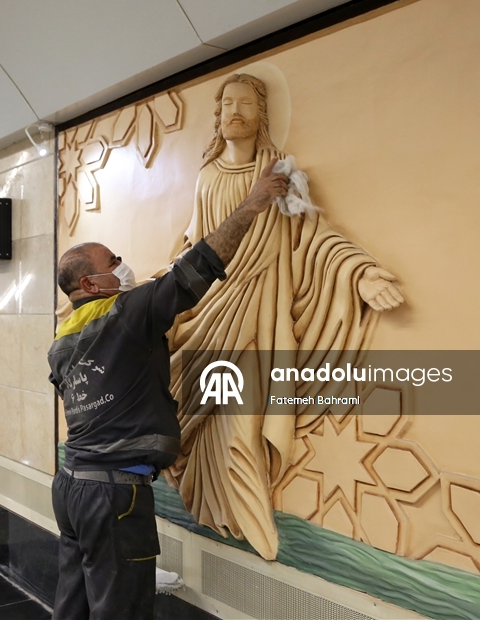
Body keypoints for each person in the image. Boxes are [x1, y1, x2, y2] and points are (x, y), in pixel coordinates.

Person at [164, 72, 404, 559]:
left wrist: (360, 275)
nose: (233, 110)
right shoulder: (207, 177)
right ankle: (214, 514)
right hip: (209, 312)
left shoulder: (281, 176)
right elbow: (193, 244)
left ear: (262, 115)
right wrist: (154, 289)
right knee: (204, 419)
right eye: (226, 102)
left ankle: (252, 529)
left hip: (257, 318)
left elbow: (314, 236)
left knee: (239, 422)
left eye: (245, 104)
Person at [48, 156, 290, 620]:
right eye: (112, 262)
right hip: (114, 497)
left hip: (72, 486)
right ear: (90, 282)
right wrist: (254, 203)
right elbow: (196, 267)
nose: (122, 266)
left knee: (74, 603)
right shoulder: (126, 314)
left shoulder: (62, 339)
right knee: (121, 610)